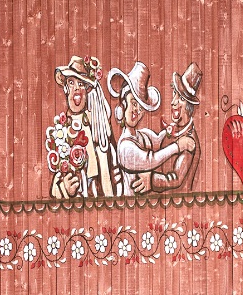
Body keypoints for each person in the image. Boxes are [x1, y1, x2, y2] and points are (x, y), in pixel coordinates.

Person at [108, 62, 196, 196]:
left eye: (141, 107)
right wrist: (177, 146)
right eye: (133, 103)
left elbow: (157, 139)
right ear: (122, 107)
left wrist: (168, 132)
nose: (136, 111)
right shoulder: (125, 147)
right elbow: (151, 159)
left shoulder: (142, 135)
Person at [50, 55, 120, 198]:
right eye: (71, 82)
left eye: (81, 84)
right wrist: (63, 189)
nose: (76, 88)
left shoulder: (97, 123)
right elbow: (56, 184)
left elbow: (108, 170)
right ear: (66, 89)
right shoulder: (61, 129)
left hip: (98, 195)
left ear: (87, 90)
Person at [132, 63, 202, 194]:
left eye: (180, 98)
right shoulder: (176, 131)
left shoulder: (189, 142)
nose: (173, 102)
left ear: (189, 106)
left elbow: (175, 178)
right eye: (174, 93)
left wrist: (151, 180)